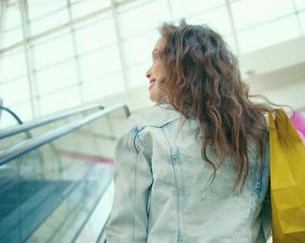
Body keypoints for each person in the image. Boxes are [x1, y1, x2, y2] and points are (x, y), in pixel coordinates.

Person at [105, 21, 273, 242]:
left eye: (157, 56)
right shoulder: (258, 132)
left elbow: (126, 233)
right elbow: (266, 219)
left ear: (182, 62)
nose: (148, 71)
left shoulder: (144, 131)